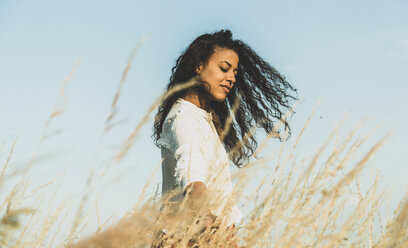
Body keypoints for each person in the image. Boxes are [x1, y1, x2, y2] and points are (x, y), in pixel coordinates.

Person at [152, 29, 297, 247]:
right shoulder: (185, 119)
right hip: (193, 237)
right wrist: (206, 220)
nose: (231, 78)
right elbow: (192, 176)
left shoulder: (202, 117)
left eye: (234, 73)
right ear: (199, 65)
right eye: (224, 68)